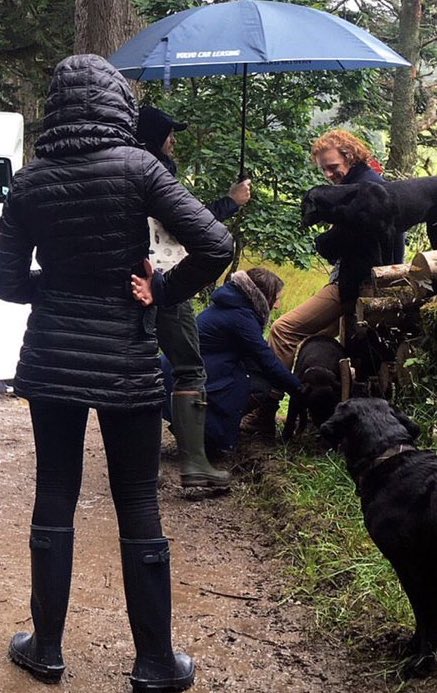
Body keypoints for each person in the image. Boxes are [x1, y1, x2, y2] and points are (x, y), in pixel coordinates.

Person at [0, 55, 233, 691]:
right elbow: (216, 243)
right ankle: (155, 662)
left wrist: (57, 285)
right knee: (136, 498)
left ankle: (45, 648)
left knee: (54, 492)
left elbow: (10, 281)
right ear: (115, 105)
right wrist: (161, 290)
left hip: (50, 356)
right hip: (127, 356)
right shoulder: (141, 168)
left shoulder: (29, 182)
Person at [242, 129, 392, 438]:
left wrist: (325, 241)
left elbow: (347, 242)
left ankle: (265, 410)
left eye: (333, 165)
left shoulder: (364, 189)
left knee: (285, 330)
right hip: (359, 279)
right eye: (323, 168)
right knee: (323, 340)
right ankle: (323, 417)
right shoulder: (367, 182)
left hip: (357, 284)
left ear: (350, 156)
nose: (328, 173)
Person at [135, 105, 251, 488]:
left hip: (132, 281)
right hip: (167, 280)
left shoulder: (122, 167)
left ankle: (138, 469)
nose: (174, 140)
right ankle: (195, 467)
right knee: (188, 368)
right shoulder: (157, 172)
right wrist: (231, 202)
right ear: (155, 136)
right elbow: (191, 223)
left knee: (138, 367)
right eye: (169, 132)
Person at [157, 268, 303, 456]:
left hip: (180, 370)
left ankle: (199, 429)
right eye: (276, 298)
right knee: (260, 385)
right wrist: (300, 390)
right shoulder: (241, 317)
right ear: (262, 295)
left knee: (251, 376)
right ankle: (207, 433)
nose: (277, 305)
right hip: (186, 377)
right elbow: (267, 361)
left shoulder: (233, 305)